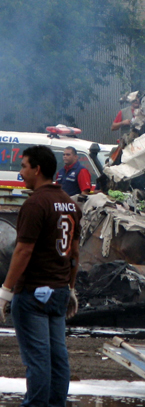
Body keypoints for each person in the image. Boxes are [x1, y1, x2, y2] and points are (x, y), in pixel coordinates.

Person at [0, 145, 82, 407]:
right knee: (58, 358)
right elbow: (75, 254)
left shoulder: (35, 203)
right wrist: (70, 288)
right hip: (58, 291)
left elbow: (23, 250)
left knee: (38, 360)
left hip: (33, 292)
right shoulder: (70, 205)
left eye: (23, 166)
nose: (21, 172)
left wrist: (5, 291)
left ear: (37, 169)